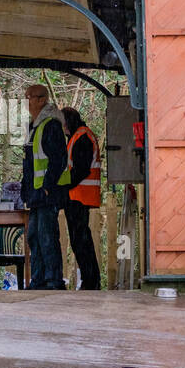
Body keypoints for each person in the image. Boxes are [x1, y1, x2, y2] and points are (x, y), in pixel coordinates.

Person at [20, 84, 69, 289]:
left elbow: (58, 159)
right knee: (35, 237)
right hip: (36, 194)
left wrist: (48, 186)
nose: (26, 102)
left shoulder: (51, 125)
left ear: (41, 99)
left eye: (29, 97)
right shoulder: (34, 126)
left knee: (47, 237)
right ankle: (38, 279)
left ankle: (53, 280)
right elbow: (29, 163)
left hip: (46, 193)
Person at [61, 107, 102, 290]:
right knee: (80, 241)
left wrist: (64, 185)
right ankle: (89, 279)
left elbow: (80, 169)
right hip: (78, 196)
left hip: (79, 196)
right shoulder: (78, 136)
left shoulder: (81, 137)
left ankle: (90, 280)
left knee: (81, 241)